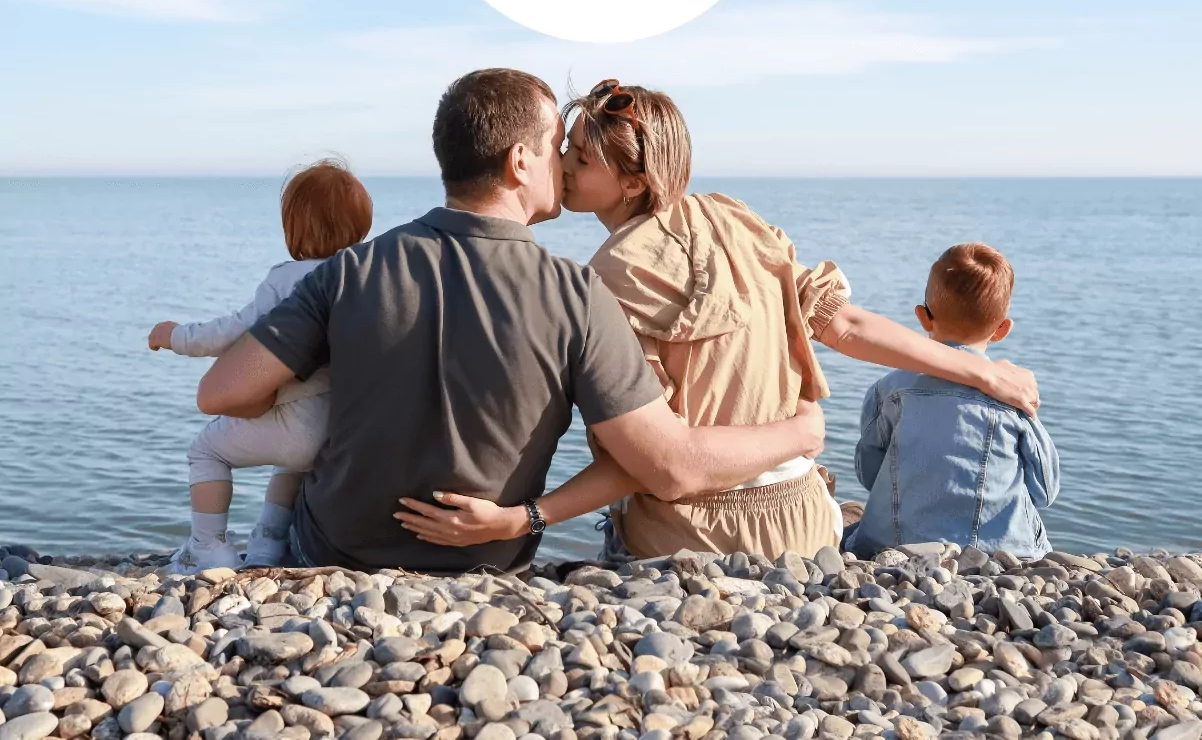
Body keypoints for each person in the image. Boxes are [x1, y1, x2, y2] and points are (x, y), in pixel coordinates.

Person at [191, 68, 829, 575]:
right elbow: (671, 465)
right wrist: (800, 431)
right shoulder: (576, 292)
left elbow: (221, 392)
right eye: (558, 149)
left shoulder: (350, 270)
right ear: (521, 162)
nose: (566, 165)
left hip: (335, 559)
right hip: (485, 564)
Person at [394, 80, 1042, 563]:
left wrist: (526, 518)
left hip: (694, 541)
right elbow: (843, 323)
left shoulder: (616, 272)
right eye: (565, 148)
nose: (560, 163)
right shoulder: (738, 218)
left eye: (582, 158)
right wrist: (981, 373)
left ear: (631, 182)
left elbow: (661, 466)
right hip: (804, 523)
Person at [148, 158, 373, 572]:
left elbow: (235, 333)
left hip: (295, 421)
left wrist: (175, 335)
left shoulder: (286, 279)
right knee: (292, 466)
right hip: (344, 430)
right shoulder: (364, 279)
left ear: (294, 226)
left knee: (207, 450)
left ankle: (208, 546)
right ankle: (269, 544)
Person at [843, 243, 1060, 559]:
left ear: (923, 317)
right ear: (1002, 329)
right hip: (1000, 553)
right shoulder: (1014, 394)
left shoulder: (888, 390)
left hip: (892, 544)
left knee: (852, 519)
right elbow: (1045, 491)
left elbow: (869, 474)